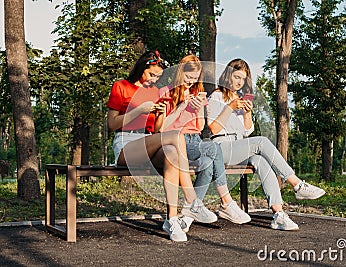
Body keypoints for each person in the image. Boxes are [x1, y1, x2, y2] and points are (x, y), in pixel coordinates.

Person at [106, 50, 217, 242]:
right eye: (151, 74)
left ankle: (171, 220)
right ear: (142, 68)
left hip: (149, 142)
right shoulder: (121, 86)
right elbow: (112, 124)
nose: (154, 79)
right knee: (175, 136)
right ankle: (192, 201)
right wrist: (140, 110)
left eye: (158, 76)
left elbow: (158, 130)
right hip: (126, 144)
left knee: (173, 154)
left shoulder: (155, 92)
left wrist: (159, 115)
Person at [207, 58, 326, 230]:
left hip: (238, 147)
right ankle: (297, 184)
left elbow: (246, 132)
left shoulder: (240, 98)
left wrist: (247, 114)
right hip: (221, 148)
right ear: (228, 76)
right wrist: (230, 108)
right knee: (261, 142)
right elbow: (213, 128)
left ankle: (278, 214)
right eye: (237, 77)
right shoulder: (216, 96)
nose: (240, 82)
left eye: (243, 79)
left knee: (261, 161)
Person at [156, 55, 251, 232]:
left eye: (195, 78)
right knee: (214, 147)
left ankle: (187, 216)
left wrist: (198, 109)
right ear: (180, 73)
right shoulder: (166, 92)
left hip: (195, 140)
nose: (191, 82)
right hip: (177, 141)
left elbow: (199, 127)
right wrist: (183, 106)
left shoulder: (196, 94)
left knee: (207, 163)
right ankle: (226, 201)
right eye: (188, 77)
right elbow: (161, 129)